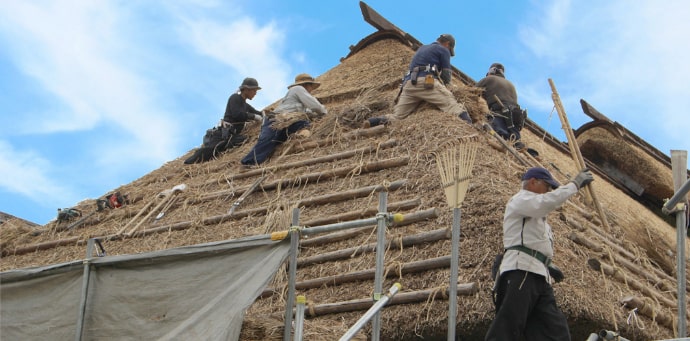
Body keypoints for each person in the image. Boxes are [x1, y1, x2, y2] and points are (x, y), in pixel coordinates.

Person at [485, 167, 594, 341]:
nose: (548, 191)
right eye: (547, 186)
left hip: (539, 275)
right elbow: (546, 202)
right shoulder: (520, 199)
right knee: (508, 327)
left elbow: (534, 244)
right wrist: (574, 185)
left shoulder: (535, 214)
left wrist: (548, 265)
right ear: (533, 182)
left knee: (555, 331)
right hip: (521, 270)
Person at [364, 34, 471, 128]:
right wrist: (448, 88)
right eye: (449, 49)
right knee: (451, 103)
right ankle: (469, 125)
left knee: (398, 117)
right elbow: (446, 74)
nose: (449, 51)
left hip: (409, 84)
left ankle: (373, 122)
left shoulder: (422, 48)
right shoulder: (443, 50)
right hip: (425, 82)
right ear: (447, 44)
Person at [240, 73, 327, 166]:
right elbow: (315, 106)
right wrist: (325, 112)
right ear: (306, 85)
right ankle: (248, 162)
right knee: (267, 140)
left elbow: (309, 112)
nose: (312, 90)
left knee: (303, 124)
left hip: (287, 123)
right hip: (276, 120)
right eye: (311, 86)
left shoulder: (298, 100)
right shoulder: (298, 89)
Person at [184, 77, 263, 164]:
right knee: (210, 151)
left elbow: (256, 112)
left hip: (231, 136)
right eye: (254, 90)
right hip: (222, 134)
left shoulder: (244, 105)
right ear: (247, 90)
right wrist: (253, 116)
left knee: (242, 139)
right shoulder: (235, 98)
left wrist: (265, 114)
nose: (255, 93)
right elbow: (238, 115)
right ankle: (188, 163)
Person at [476, 63, 527, 149]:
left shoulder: (489, 79)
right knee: (515, 139)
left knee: (499, 134)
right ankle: (518, 144)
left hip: (500, 112)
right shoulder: (511, 84)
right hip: (515, 115)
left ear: (492, 71)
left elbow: (471, 94)